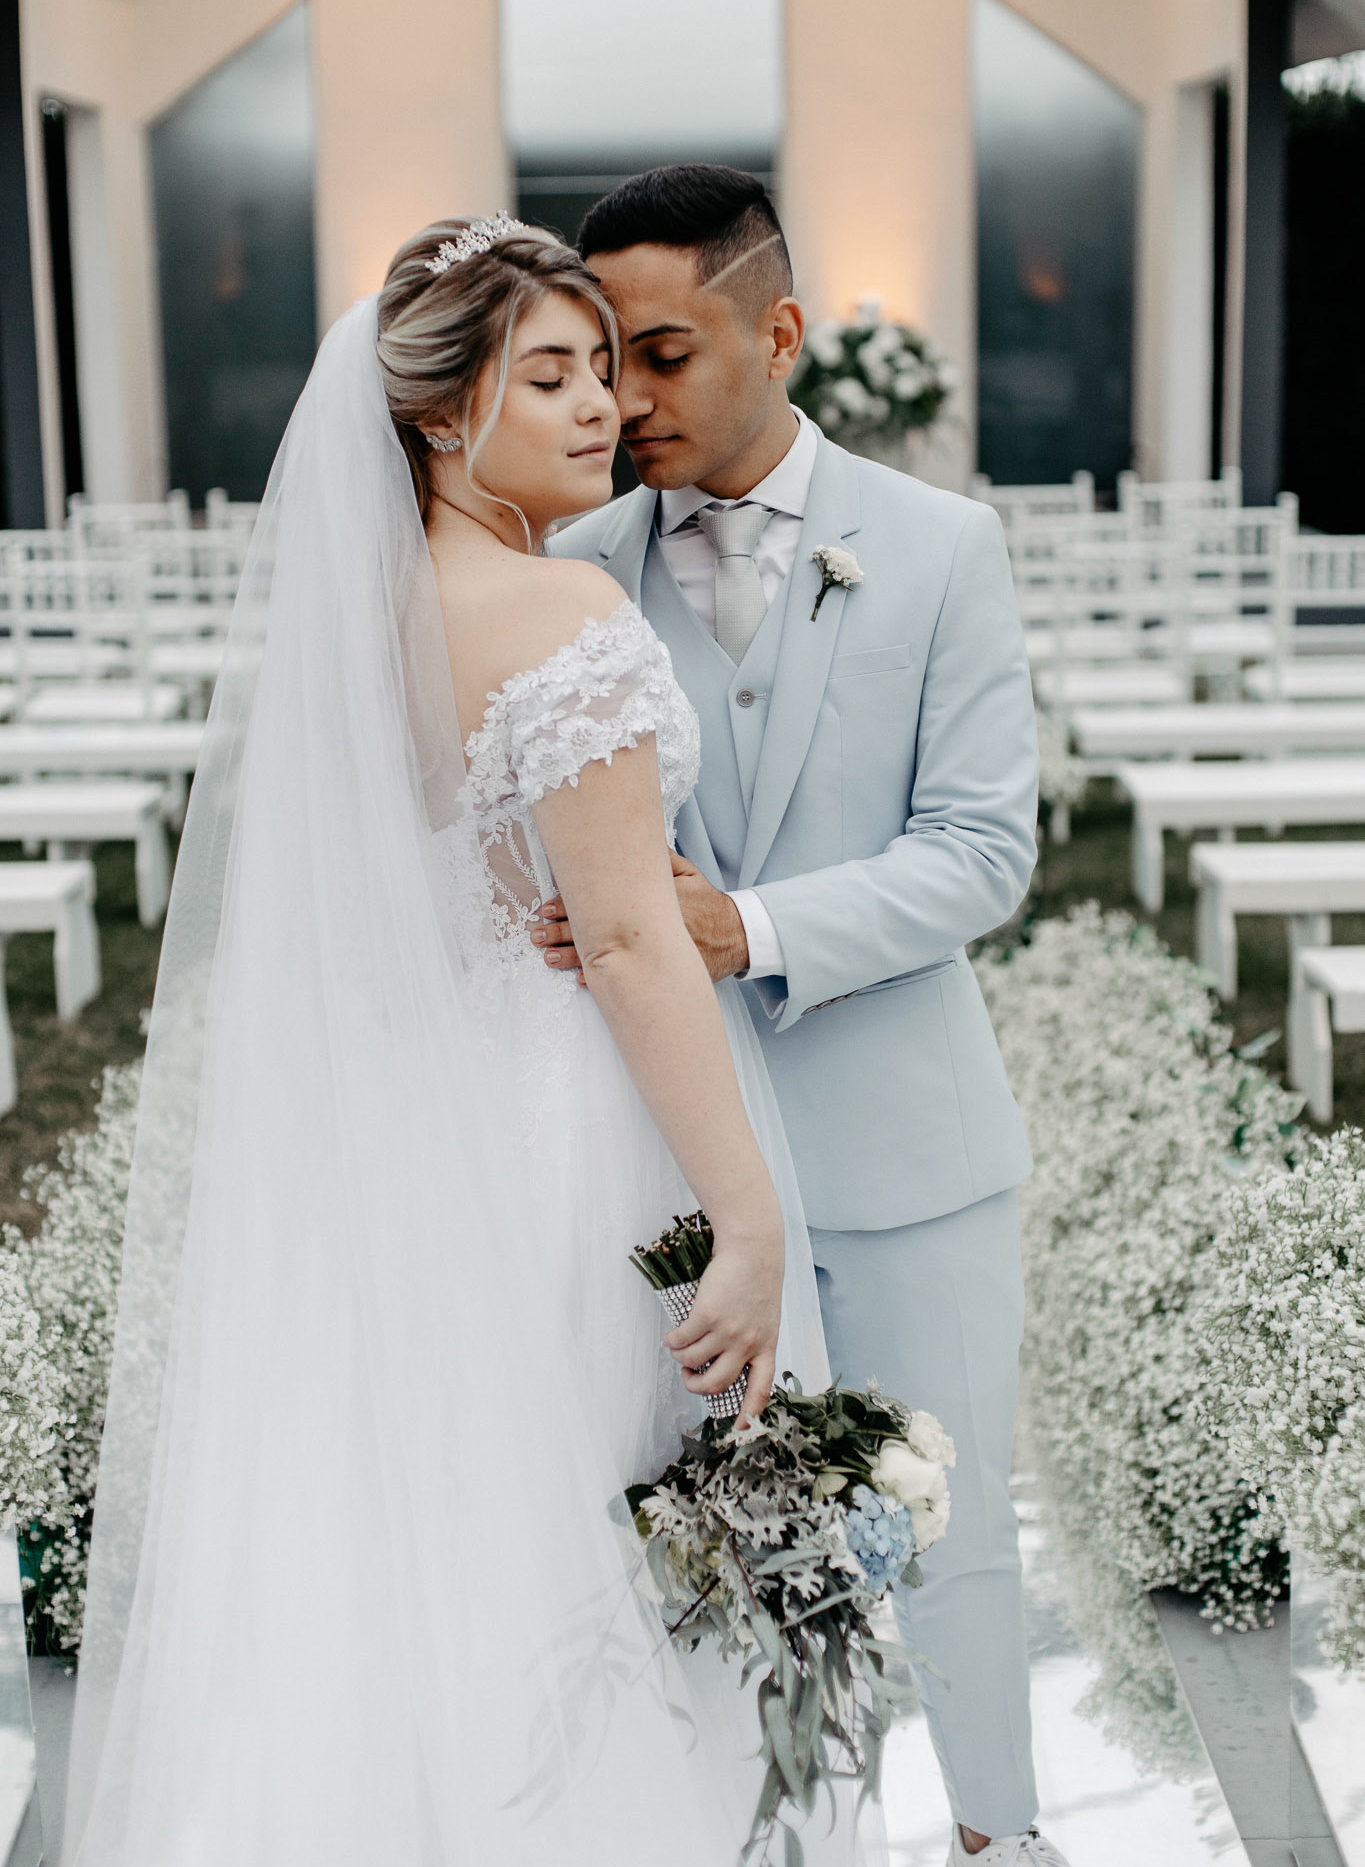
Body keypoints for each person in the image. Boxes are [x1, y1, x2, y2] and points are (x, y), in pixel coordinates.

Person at [59, 221, 865, 1867]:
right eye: (548, 376)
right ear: (437, 414)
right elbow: (624, 947)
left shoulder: (367, 623)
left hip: (402, 1140)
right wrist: (747, 1217)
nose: (600, 409)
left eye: (604, 370)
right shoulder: (562, 610)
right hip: (569, 1135)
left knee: (417, 1534)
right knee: (590, 1546)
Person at [546, 165, 1070, 1867]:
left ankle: (995, 1835)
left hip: (906, 1151)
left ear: (777, 334)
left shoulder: (938, 546)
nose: (624, 399)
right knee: (707, 1541)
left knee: (949, 1525)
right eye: (599, 361)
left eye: (663, 354)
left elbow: (983, 851)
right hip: (663, 1167)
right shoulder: (569, 574)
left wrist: (748, 927)